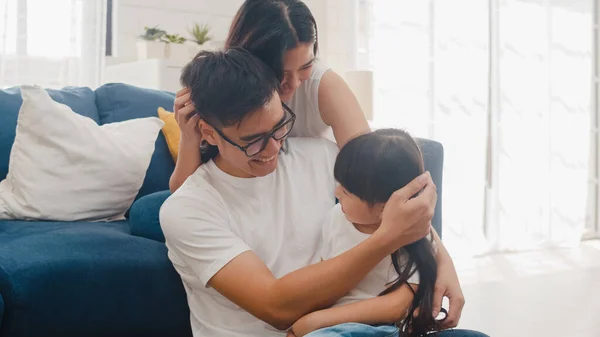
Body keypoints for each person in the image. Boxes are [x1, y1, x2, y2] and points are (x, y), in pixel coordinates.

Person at [131, 0, 467, 327]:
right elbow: (276, 307)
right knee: (158, 211)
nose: (275, 147)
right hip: (209, 208)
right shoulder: (190, 206)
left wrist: (437, 261)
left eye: (280, 127)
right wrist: (387, 240)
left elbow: (384, 186)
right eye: (254, 140)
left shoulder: (320, 147)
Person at [290, 129, 441, 337]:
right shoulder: (337, 218)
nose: (336, 193)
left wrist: (316, 321)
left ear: (384, 207)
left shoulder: (414, 236)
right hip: (333, 327)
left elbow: (394, 307)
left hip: (380, 329)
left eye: (347, 191)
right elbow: (324, 280)